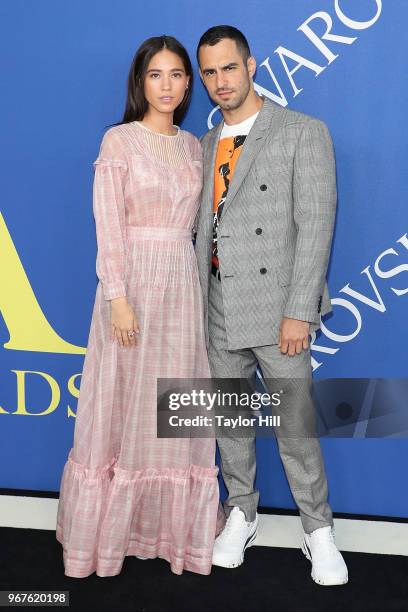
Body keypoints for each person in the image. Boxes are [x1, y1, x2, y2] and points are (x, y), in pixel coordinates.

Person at [56, 35, 222, 578]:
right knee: (121, 406)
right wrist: (117, 298)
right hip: (130, 290)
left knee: (172, 410)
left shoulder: (196, 145)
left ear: (188, 84)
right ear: (140, 82)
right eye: (157, 75)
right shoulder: (119, 142)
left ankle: (167, 534)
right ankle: (104, 537)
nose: (168, 85)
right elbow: (108, 225)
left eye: (178, 75)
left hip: (181, 290)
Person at [194, 25, 349, 586]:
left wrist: (300, 310)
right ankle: (241, 512)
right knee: (229, 422)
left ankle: (318, 529)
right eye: (208, 72)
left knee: (296, 426)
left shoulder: (302, 131)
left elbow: (316, 226)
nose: (219, 82)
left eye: (228, 68)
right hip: (216, 305)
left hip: (277, 308)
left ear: (252, 65)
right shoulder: (205, 144)